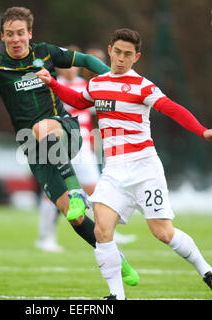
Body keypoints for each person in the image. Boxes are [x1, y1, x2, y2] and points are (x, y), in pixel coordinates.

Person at [0, 7, 139, 287]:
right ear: (2, 36)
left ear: (30, 34)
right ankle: (117, 260)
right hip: (35, 149)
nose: (16, 39)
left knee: (41, 129)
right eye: (10, 34)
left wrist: (113, 79)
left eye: (21, 33)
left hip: (64, 129)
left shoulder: (46, 53)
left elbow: (85, 59)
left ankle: (77, 192)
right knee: (74, 220)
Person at [36, 28, 212, 300]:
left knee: (163, 233)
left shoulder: (143, 86)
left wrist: (202, 130)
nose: (121, 58)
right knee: (102, 230)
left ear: (136, 57)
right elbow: (79, 100)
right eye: (117, 52)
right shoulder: (98, 83)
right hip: (114, 170)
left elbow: (172, 108)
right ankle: (117, 296)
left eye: (128, 54)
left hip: (145, 168)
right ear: (110, 50)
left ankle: (207, 271)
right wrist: (52, 84)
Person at [36, 45, 136, 252]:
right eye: (67, 66)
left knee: (98, 192)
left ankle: (108, 231)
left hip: (83, 148)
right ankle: (45, 237)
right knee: (52, 194)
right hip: (59, 147)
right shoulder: (50, 86)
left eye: (74, 65)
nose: (71, 69)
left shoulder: (88, 85)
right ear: (61, 67)